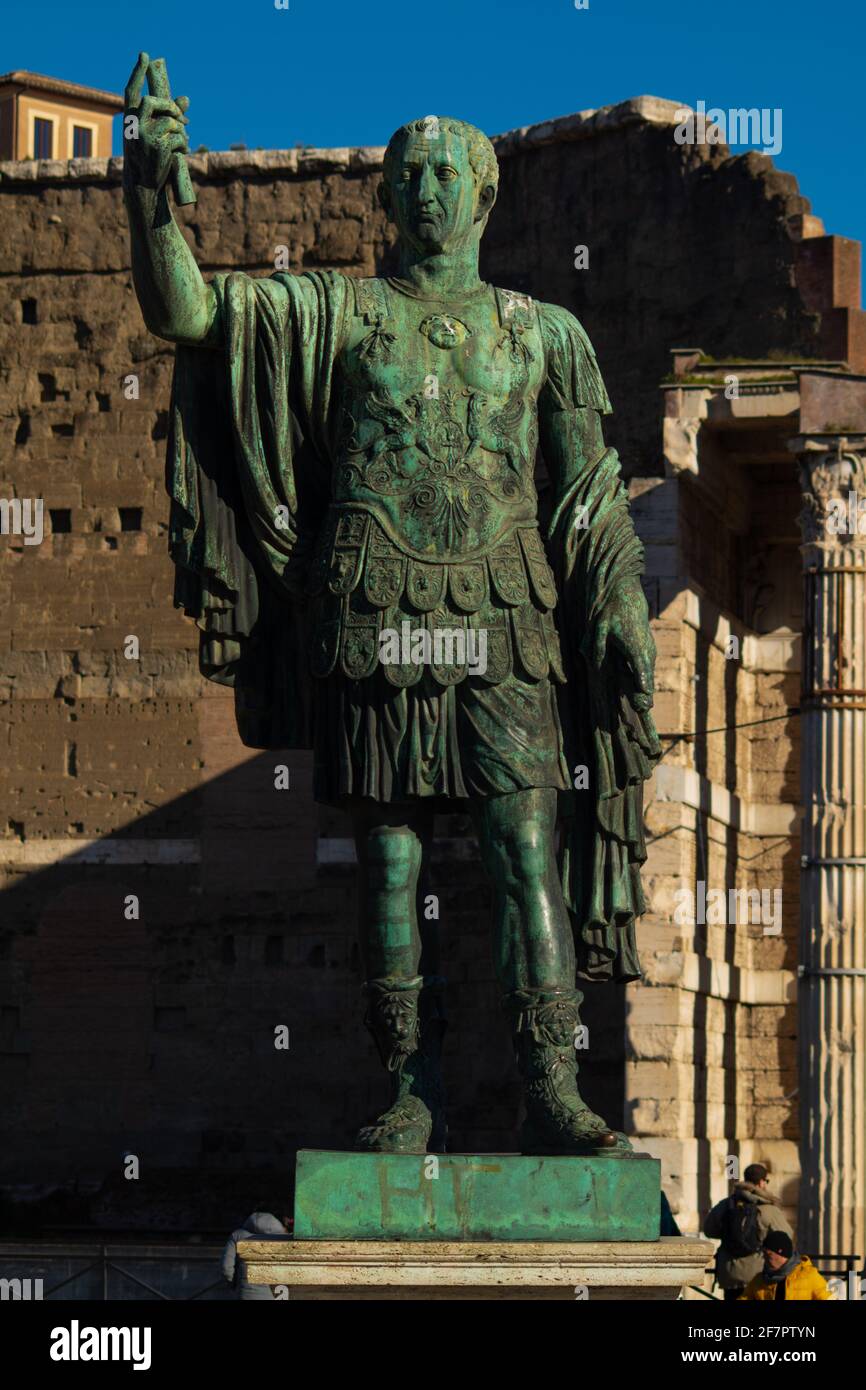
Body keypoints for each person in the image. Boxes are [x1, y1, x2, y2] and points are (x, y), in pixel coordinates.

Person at [123, 54, 660, 1157]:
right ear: (386, 198)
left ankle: (550, 1090)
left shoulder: (542, 332)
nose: (422, 189)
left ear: (482, 192)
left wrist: (612, 599)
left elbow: (587, 489)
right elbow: (189, 313)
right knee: (390, 864)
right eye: (404, 174)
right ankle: (407, 1089)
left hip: (507, 618)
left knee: (525, 848)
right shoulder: (333, 313)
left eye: (441, 171)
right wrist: (147, 198)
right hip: (376, 619)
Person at [703, 1163, 794, 1300]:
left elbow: (709, 1230)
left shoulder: (726, 1204)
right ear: (762, 1182)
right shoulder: (767, 1209)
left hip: (729, 1274)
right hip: (757, 1276)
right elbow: (786, 1237)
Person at [739, 1232, 834, 1301]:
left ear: (781, 1253)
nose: (764, 1257)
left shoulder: (809, 1276)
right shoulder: (759, 1280)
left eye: (768, 1254)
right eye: (763, 1253)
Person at [221, 1211, 288, 1300]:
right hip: (273, 1295)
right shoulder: (281, 1238)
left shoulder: (237, 1235)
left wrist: (236, 1285)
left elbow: (226, 1268)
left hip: (245, 1295)